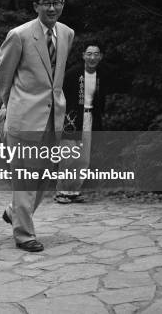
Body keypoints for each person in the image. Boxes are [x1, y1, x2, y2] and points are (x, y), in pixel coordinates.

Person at [0, 0, 74, 252]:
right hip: (24, 117)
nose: (52, 7)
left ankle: (13, 211)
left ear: (62, 5)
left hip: (53, 117)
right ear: (36, 6)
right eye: (46, 3)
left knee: (45, 176)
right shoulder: (18, 35)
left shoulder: (67, 33)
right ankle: (24, 234)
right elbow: (4, 75)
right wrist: (9, 106)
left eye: (56, 2)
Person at [56, 40, 108, 204]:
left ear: (100, 57)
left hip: (90, 118)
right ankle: (61, 192)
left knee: (84, 158)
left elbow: (101, 100)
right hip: (72, 119)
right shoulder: (72, 74)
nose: (92, 57)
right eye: (89, 53)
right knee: (68, 156)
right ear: (83, 56)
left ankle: (74, 191)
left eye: (96, 54)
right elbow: (59, 95)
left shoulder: (101, 75)